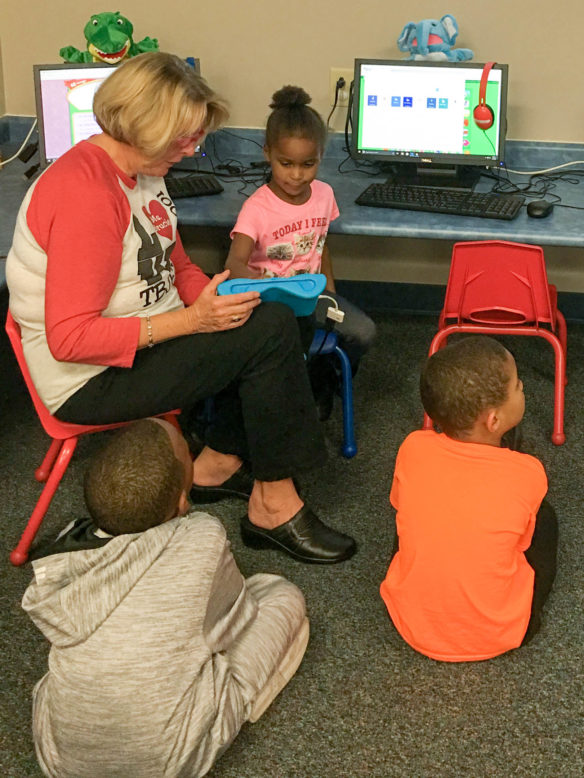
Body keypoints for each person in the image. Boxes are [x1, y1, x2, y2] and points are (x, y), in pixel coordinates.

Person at [6, 53, 355, 564]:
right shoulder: (86, 194)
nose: (193, 151)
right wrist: (195, 321)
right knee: (273, 330)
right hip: (89, 378)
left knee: (279, 312)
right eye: (185, 137)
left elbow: (174, 262)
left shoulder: (142, 171)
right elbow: (71, 340)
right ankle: (272, 505)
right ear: (145, 126)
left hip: (148, 337)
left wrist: (217, 298)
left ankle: (216, 462)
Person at [22, 418, 310, 778]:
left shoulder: (59, 556)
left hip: (60, 763)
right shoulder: (200, 537)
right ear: (181, 502)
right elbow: (237, 618)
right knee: (280, 593)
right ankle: (232, 702)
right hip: (167, 763)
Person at [380, 336, 558, 662]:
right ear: (493, 421)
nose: (523, 390)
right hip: (502, 632)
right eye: (518, 386)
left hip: (408, 622)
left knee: (415, 505)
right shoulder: (528, 471)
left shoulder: (412, 448)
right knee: (543, 517)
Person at [225, 85, 376, 420]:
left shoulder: (324, 195)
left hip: (313, 298)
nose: (296, 175)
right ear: (267, 153)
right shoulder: (257, 208)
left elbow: (321, 245)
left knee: (363, 332)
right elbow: (234, 262)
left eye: (308, 164)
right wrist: (256, 281)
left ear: (321, 155)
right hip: (271, 307)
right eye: (286, 163)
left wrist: (331, 290)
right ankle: (297, 388)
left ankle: (325, 380)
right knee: (288, 352)